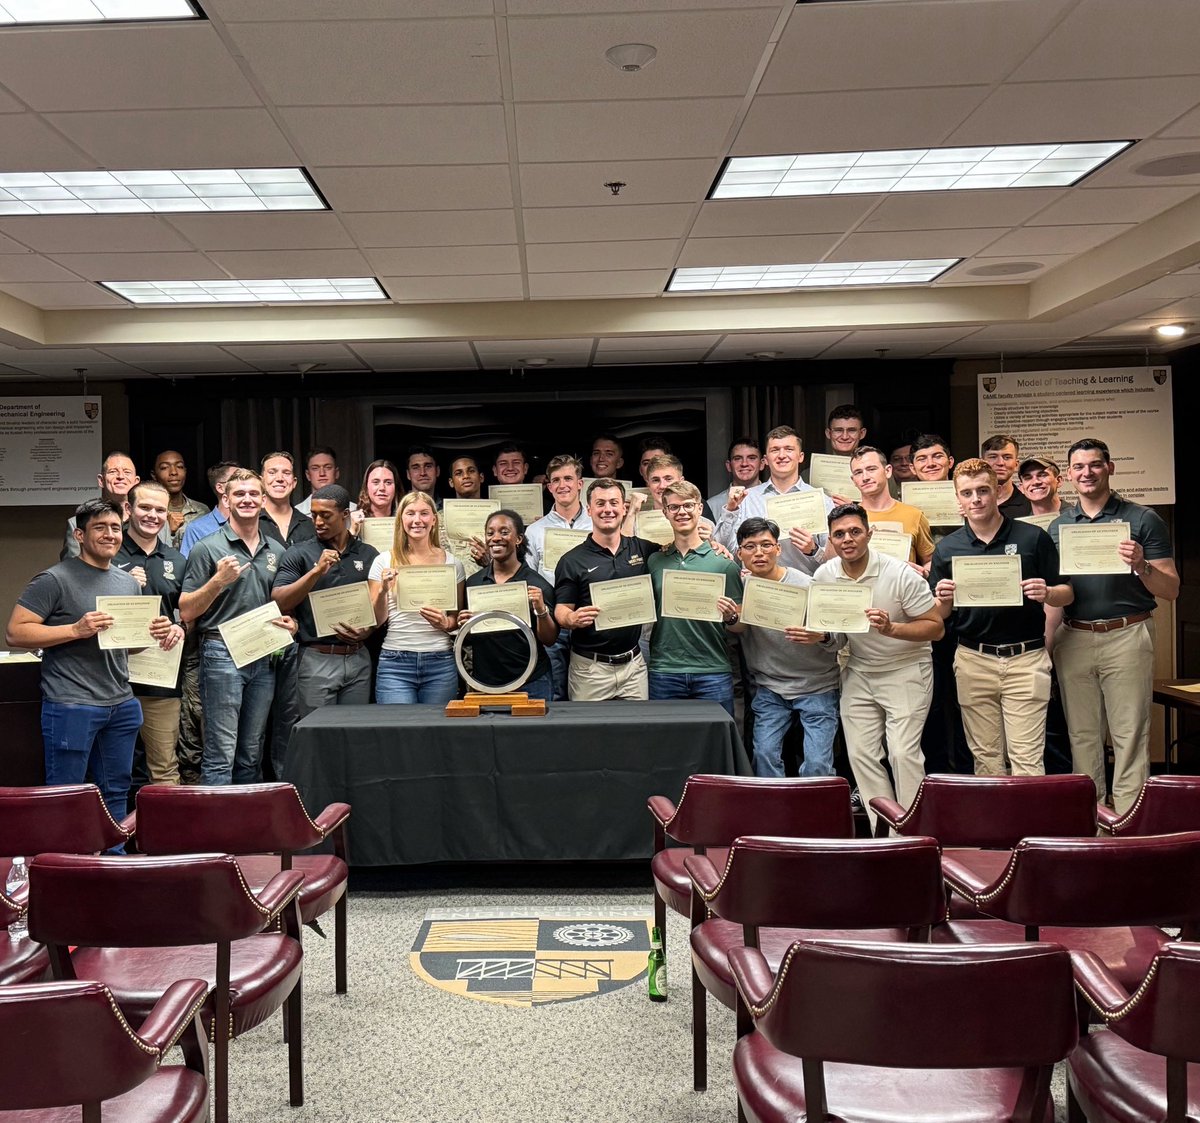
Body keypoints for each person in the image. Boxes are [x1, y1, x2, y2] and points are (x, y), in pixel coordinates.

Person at [7, 498, 175, 827]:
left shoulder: (127, 582)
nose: (110, 534)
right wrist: (74, 629)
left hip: (121, 703)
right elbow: (15, 633)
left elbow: (128, 648)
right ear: (80, 535)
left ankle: (111, 860)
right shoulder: (53, 579)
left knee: (116, 790)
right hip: (71, 702)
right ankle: (64, 864)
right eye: (100, 527)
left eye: (115, 527)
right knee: (66, 792)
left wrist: (152, 635)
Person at [1048, 438, 1180, 812]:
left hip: (1127, 634)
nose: (1086, 473)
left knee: (1130, 735)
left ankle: (1126, 822)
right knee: (1083, 736)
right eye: (1078, 467)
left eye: (1094, 465)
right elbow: (1060, 594)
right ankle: (1090, 819)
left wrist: (1141, 564)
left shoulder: (1142, 519)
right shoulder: (1059, 527)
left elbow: (1170, 588)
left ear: (1109, 468)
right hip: (1073, 637)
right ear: (1069, 475)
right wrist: (1045, 645)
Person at [930, 459, 1072, 777]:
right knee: (986, 761)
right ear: (958, 499)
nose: (976, 499)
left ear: (997, 492)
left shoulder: (1032, 538)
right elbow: (939, 617)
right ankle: (995, 828)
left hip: (1026, 659)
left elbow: (1068, 593)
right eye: (967, 493)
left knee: (1027, 760)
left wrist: (1048, 593)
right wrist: (943, 600)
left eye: (983, 490)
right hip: (973, 660)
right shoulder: (948, 549)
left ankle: (1032, 828)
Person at [813, 503, 944, 828]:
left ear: (869, 534)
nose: (848, 539)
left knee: (902, 754)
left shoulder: (899, 574)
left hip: (906, 668)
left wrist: (891, 628)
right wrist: (819, 637)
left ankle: (915, 833)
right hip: (859, 670)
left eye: (855, 531)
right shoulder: (825, 576)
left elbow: (936, 627)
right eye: (839, 534)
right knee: (861, 755)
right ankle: (883, 833)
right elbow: (837, 637)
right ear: (830, 540)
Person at [179, 469, 297, 785]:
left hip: (264, 653)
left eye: (253, 494)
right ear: (226, 500)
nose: (247, 499)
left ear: (263, 500)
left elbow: (283, 604)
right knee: (220, 753)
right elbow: (187, 609)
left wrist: (291, 623)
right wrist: (218, 581)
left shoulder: (277, 551)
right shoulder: (207, 547)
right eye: (239, 494)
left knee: (251, 753)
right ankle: (216, 831)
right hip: (221, 652)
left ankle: (246, 829)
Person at [726, 517, 840, 778]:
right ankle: (772, 813)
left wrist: (821, 636)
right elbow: (736, 627)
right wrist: (731, 616)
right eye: (750, 547)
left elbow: (839, 638)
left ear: (778, 549)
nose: (759, 553)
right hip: (770, 686)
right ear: (739, 553)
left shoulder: (805, 584)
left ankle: (813, 814)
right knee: (764, 754)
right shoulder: (741, 589)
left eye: (766, 545)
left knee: (817, 765)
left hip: (817, 685)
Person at [272, 484, 378, 720]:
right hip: (316, 657)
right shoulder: (299, 553)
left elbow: (378, 605)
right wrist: (316, 572)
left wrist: (367, 630)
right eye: (314, 515)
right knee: (317, 735)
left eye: (326, 515)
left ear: (345, 515)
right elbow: (279, 599)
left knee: (354, 734)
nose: (318, 521)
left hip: (358, 656)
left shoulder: (369, 554)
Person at [554, 479, 662, 702]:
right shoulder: (571, 560)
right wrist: (571, 618)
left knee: (638, 733)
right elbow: (561, 610)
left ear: (624, 508)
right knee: (589, 735)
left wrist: (714, 543)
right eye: (600, 503)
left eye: (614, 502)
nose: (608, 510)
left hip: (634, 667)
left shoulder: (643, 549)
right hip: (589, 670)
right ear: (590, 509)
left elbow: (680, 551)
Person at [645, 480, 742, 716]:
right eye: (674, 507)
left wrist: (730, 617)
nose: (682, 512)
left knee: (716, 744)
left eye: (688, 505)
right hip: (664, 670)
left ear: (699, 509)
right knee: (665, 744)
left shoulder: (724, 564)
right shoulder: (655, 561)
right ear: (665, 512)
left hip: (712, 670)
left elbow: (742, 627)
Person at [115, 481, 188, 787]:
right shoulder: (108, 555)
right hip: (112, 682)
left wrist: (179, 628)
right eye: (145, 507)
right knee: (113, 770)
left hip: (160, 681)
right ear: (128, 509)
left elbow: (188, 615)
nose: (153, 515)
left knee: (164, 769)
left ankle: (167, 836)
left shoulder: (178, 561)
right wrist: (119, 583)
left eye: (160, 509)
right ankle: (117, 836)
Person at [907, 435, 971, 776]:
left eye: (937, 457)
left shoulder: (969, 498)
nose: (930, 463)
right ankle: (933, 774)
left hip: (969, 612)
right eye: (922, 459)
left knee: (965, 701)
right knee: (931, 701)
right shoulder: (906, 507)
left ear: (950, 461)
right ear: (912, 468)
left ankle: (964, 773)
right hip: (924, 612)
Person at [368, 490, 464, 705]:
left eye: (424, 513)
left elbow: (456, 619)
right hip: (395, 661)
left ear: (434, 519)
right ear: (401, 519)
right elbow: (375, 620)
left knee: (437, 733)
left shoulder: (453, 564)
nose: (417, 520)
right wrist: (383, 590)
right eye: (410, 513)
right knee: (399, 732)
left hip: (440, 660)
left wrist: (445, 623)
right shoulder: (383, 560)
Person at [461, 510, 559, 702]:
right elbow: (470, 637)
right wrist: (464, 623)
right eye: (490, 533)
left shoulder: (537, 584)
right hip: (485, 683)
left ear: (518, 539)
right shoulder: (474, 583)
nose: (496, 538)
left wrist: (541, 610)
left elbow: (550, 640)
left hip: (532, 681)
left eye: (504, 532)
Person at [713, 425, 831, 575]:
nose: (782, 455)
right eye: (775, 450)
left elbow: (835, 562)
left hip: (804, 589)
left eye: (789, 449)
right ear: (766, 459)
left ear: (800, 456)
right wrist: (730, 510)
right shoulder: (747, 499)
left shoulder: (822, 500)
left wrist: (813, 550)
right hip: (758, 588)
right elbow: (723, 549)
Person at [525, 454, 592, 700]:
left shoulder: (598, 525)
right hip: (552, 622)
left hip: (590, 619)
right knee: (554, 694)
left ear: (579, 484)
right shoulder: (534, 530)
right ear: (549, 486)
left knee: (586, 695)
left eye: (568, 478)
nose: (562, 485)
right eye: (556, 480)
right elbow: (528, 576)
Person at [849, 445, 934, 568]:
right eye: (858, 472)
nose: (865, 477)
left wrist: (925, 572)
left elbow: (929, 560)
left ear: (888, 471)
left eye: (871, 469)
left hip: (903, 586)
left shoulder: (914, 515)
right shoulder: (847, 518)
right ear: (853, 480)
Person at [61, 451, 150, 560]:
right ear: (101, 480)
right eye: (113, 471)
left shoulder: (154, 522)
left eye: (127, 472)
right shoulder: (76, 523)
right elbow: (72, 570)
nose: (120, 476)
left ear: (136, 482)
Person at [180, 460, 240, 557]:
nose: (245, 484)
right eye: (237, 479)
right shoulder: (197, 529)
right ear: (220, 488)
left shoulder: (255, 522)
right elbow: (190, 570)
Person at [152, 449, 210, 548]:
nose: (174, 472)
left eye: (179, 466)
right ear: (154, 475)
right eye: (164, 467)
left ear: (185, 471)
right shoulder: (150, 513)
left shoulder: (202, 510)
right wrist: (167, 530)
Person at [260, 451, 316, 548]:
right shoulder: (250, 522)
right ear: (261, 481)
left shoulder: (310, 525)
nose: (280, 478)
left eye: (286, 473)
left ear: (294, 482)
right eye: (272, 472)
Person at [706, 437, 763, 516]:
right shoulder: (712, 505)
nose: (744, 464)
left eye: (751, 458)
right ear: (729, 466)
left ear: (762, 464)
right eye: (738, 459)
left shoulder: (773, 500)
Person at [981, 434, 1033, 518]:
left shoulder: (1030, 506)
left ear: (1016, 464)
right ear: (982, 463)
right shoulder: (969, 505)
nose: (1000, 463)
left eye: (1007, 457)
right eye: (993, 457)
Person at [296, 447, 355, 516]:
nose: (322, 473)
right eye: (315, 468)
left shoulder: (354, 510)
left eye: (328, 467)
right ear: (308, 475)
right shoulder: (297, 513)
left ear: (336, 473)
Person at [1018, 456, 1063, 521]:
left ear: (1058, 481)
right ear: (1021, 488)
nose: (1035, 482)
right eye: (1028, 478)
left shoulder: (1079, 519)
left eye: (1043, 475)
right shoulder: (1020, 526)